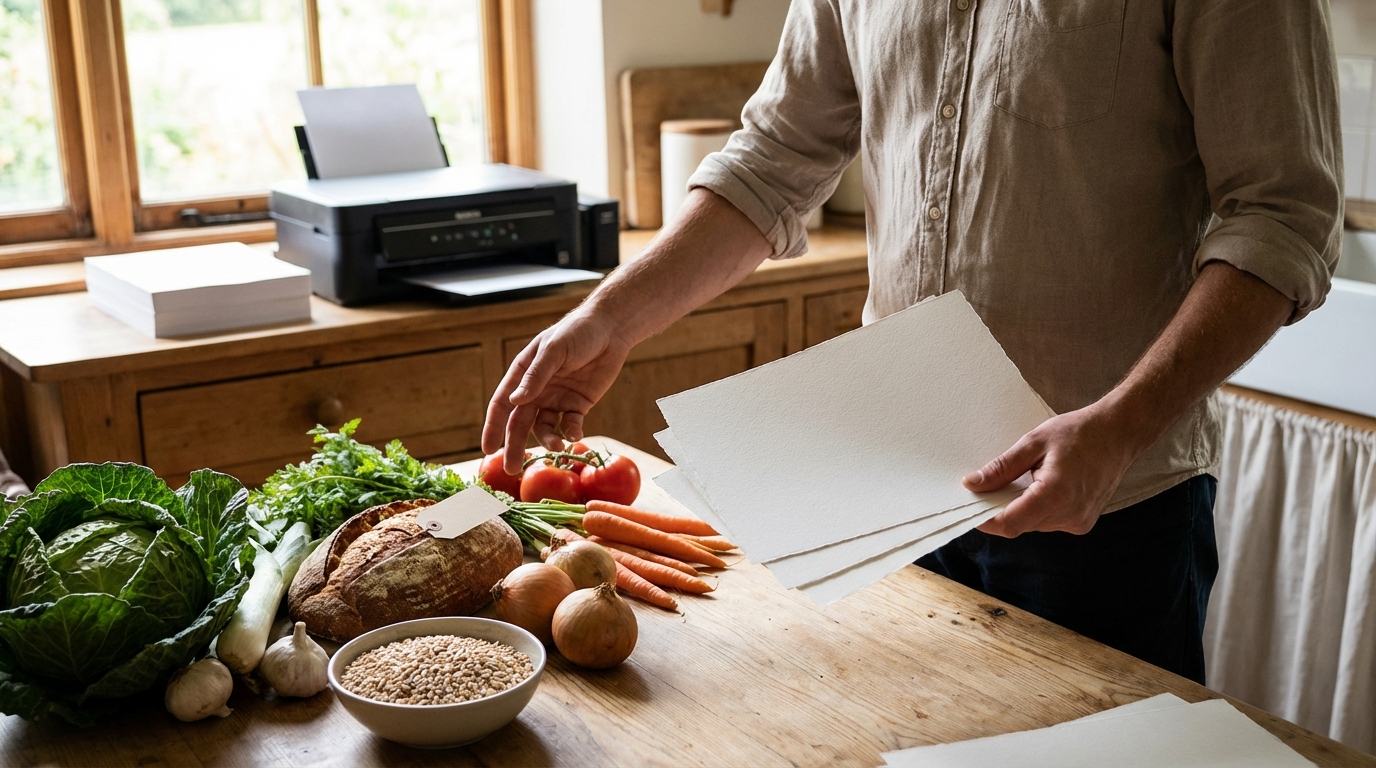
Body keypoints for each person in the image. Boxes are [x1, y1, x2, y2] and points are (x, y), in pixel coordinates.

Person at [483, 0, 1342, 684]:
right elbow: (775, 157)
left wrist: (1119, 422)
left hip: (1106, 508)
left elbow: (1283, 216)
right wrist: (609, 317)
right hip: (887, 498)